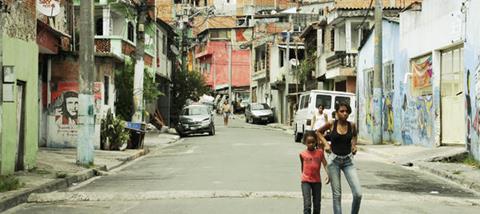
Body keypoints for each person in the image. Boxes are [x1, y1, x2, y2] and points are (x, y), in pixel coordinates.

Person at [316, 102, 362, 214]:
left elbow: (354, 136)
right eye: (341, 111)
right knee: (337, 195)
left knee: (358, 194)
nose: (344, 113)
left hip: (348, 161)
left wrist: (354, 145)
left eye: (346, 111)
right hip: (333, 161)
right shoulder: (332, 124)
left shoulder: (352, 125)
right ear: (336, 113)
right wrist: (326, 144)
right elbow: (318, 132)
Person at [300, 131, 329, 214]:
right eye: (309, 142)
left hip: (317, 182)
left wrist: (328, 174)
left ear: (316, 141)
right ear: (305, 142)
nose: (311, 144)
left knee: (317, 204)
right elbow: (303, 167)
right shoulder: (302, 154)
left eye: (313, 142)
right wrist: (304, 177)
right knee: (307, 204)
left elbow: (325, 164)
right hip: (305, 182)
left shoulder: (319, 153)